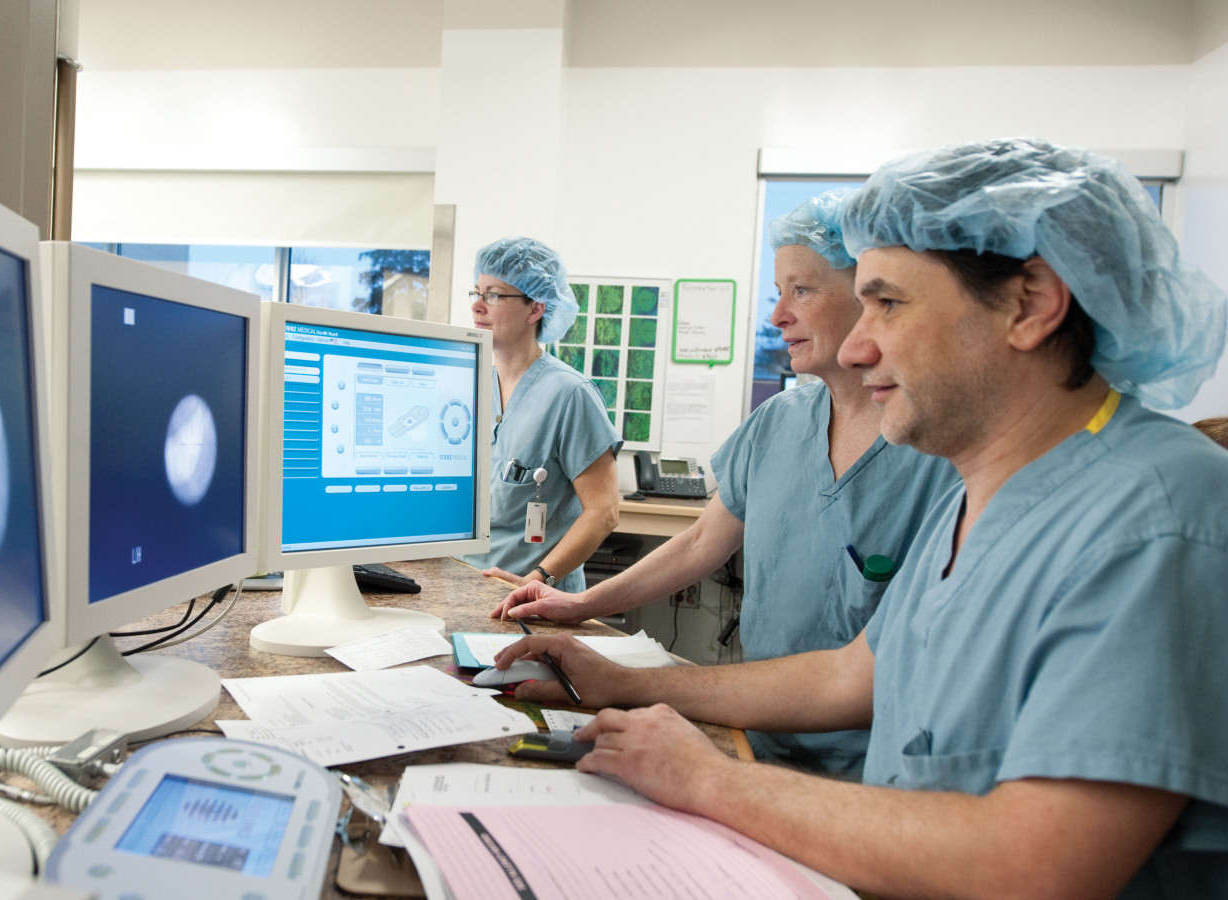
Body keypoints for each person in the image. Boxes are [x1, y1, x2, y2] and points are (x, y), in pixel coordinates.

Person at [495, 138, 1228, 898]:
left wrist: (710, 781)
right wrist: (621, 684)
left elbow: (1038, 863)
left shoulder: (1157, 518)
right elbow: (855, 674)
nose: (856, 342)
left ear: (1030, 304)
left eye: (887, 302)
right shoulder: (982, 493)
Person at [491, 190, 957, 778]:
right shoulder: (779, 424)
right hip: (755, 733)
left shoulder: (938, 454)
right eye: (778, 292)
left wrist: (629, 684)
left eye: (802, 290)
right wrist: (580, 602)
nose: (777, 315)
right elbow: (698, 544)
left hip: (865, 765)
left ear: (871, 298)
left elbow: (866, 676)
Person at [458, 236, 621, 593]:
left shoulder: (570, 394)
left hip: (536, 596)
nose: (477, 307)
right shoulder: (468, 385)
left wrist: (539, 578)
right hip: (466, 585)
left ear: (535, 309)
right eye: (477, 293)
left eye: (495, 295)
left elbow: (604, 512)